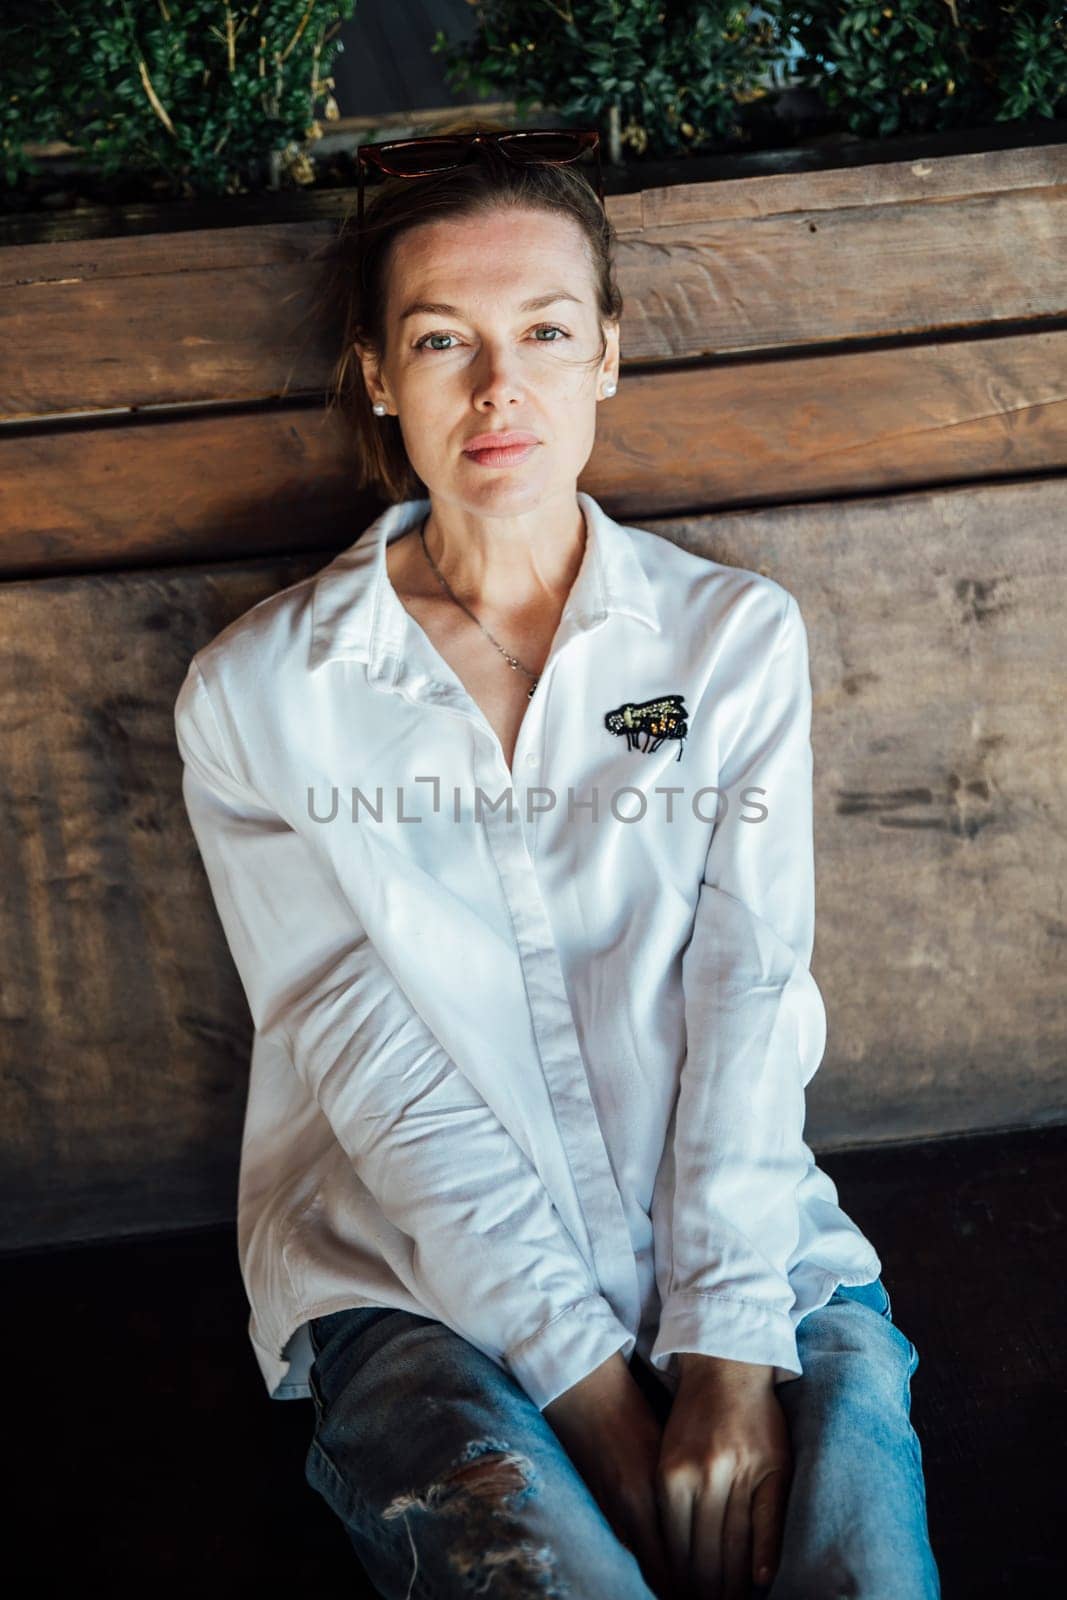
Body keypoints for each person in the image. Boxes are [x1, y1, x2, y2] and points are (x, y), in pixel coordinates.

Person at [173, 116, 941, 1600]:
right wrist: (593, 1400)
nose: (499, 386)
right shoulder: (262, 697)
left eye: (544, 329)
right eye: (445, 340)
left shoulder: (728, 642)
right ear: (380, 377)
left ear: (607, 354)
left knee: (854, 1575)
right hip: (415, 1291)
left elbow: (747, 991)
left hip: (753, 1254)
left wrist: (723, 1352)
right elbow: (367, 1054)